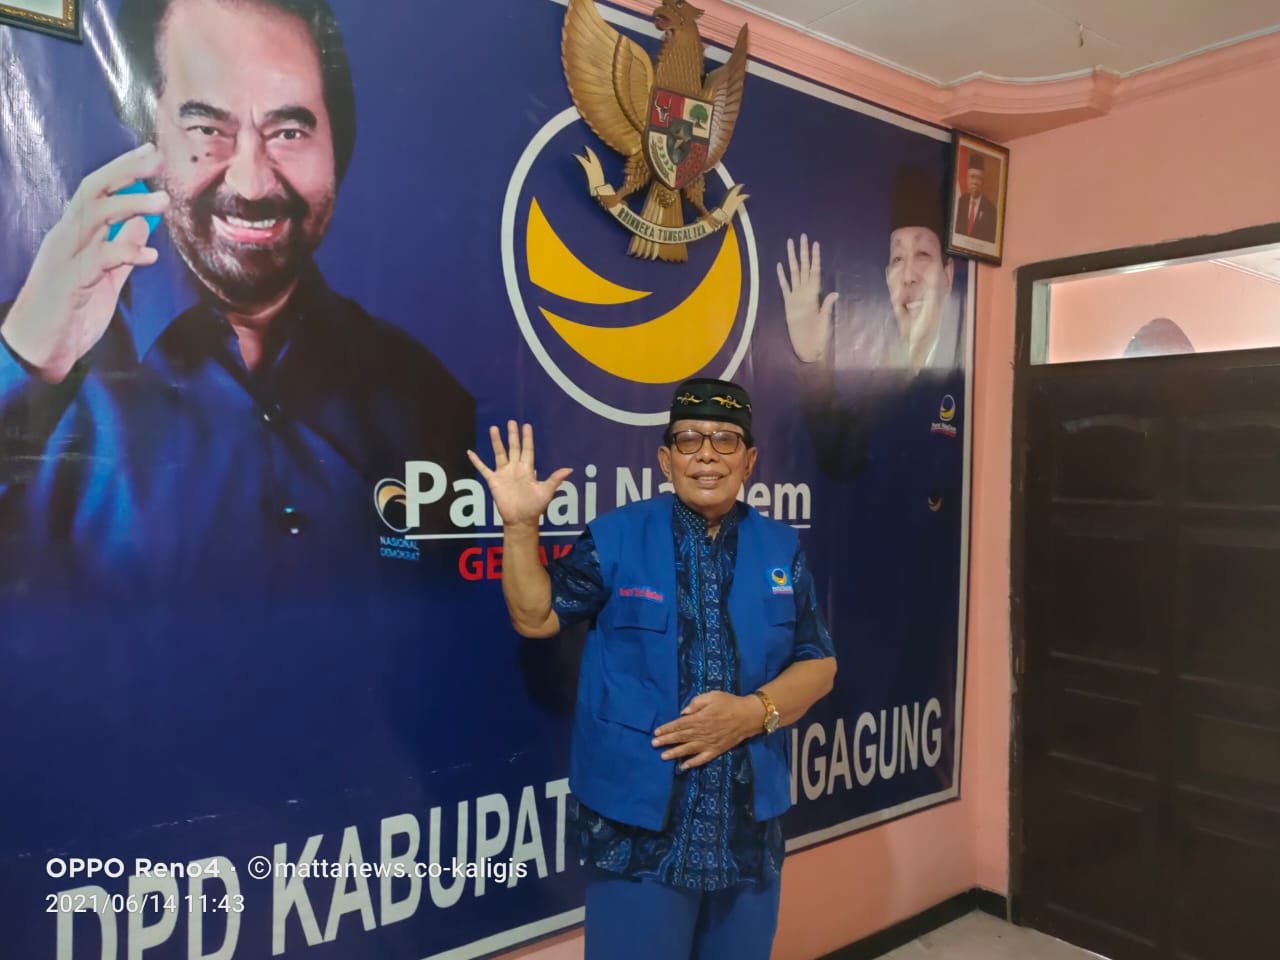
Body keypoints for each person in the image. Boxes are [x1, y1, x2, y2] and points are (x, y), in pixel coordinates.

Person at [0, 0, 473, 583]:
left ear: (338, 148)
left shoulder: (423, 398)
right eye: (207, 130)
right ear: (147, 139)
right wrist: (22, 362)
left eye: (289, 132)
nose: (250, 183)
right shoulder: (35, 364)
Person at [468, 378, 837, 960]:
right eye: (689, 439)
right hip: (638, 836)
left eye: (725, 439)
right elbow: (535, 616)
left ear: (750, 460)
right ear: (666, 460)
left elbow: (818, 664)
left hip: (746, 833)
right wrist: (519, 527)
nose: (707, 454)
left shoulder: (780, 548)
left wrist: (752, 713)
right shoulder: (615, 537)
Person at [777, 163, 964, 479]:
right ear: (888, 278)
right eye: (897, 259)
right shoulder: (885, 384)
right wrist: (812, 361)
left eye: (922, 255)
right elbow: (840, 459)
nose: (908, 276)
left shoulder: (963, 377)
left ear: (947, 275)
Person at [953, 152, 997, 243]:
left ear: (983, 182)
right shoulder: (959, 202)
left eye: (979, 178)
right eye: (972, 177)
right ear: (967, 178)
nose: (975, 182)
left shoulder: (991, 210)